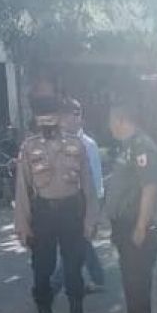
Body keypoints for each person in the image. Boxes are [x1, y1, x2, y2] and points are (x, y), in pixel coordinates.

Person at [14, 95, 100, 313]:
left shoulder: (77, 145)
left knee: (73, 266)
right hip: (43, 214)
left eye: (52, 115)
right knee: (42, 269)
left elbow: (89, 186)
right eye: (43, 116)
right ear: (37, 119)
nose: (47, 121)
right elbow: (22, 189)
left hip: (72, 212)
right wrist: (23, 224)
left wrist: (90, 219)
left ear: (59, 118)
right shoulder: (29, 148)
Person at [104, 103, 157, 313]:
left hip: (135, 228)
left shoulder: (142, 146)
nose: (109, 126)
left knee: (137, 287)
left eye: (111, 120)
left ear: (121, 119)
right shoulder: (128, 146)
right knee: (132, 286)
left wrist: (141, 227)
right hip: (124, 226)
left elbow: (150, 188)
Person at [50, 98, 107, 296]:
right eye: (65, 116)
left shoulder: (88, 144)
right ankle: (98, 277)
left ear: (80, 117)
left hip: (83, 203)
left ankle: (53, 286)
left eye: (74, 115)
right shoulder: (56, 141)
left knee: (73, 247)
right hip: (63, 203)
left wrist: (94, 212)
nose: (68, 120)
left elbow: (96, 181)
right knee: (80, 243)